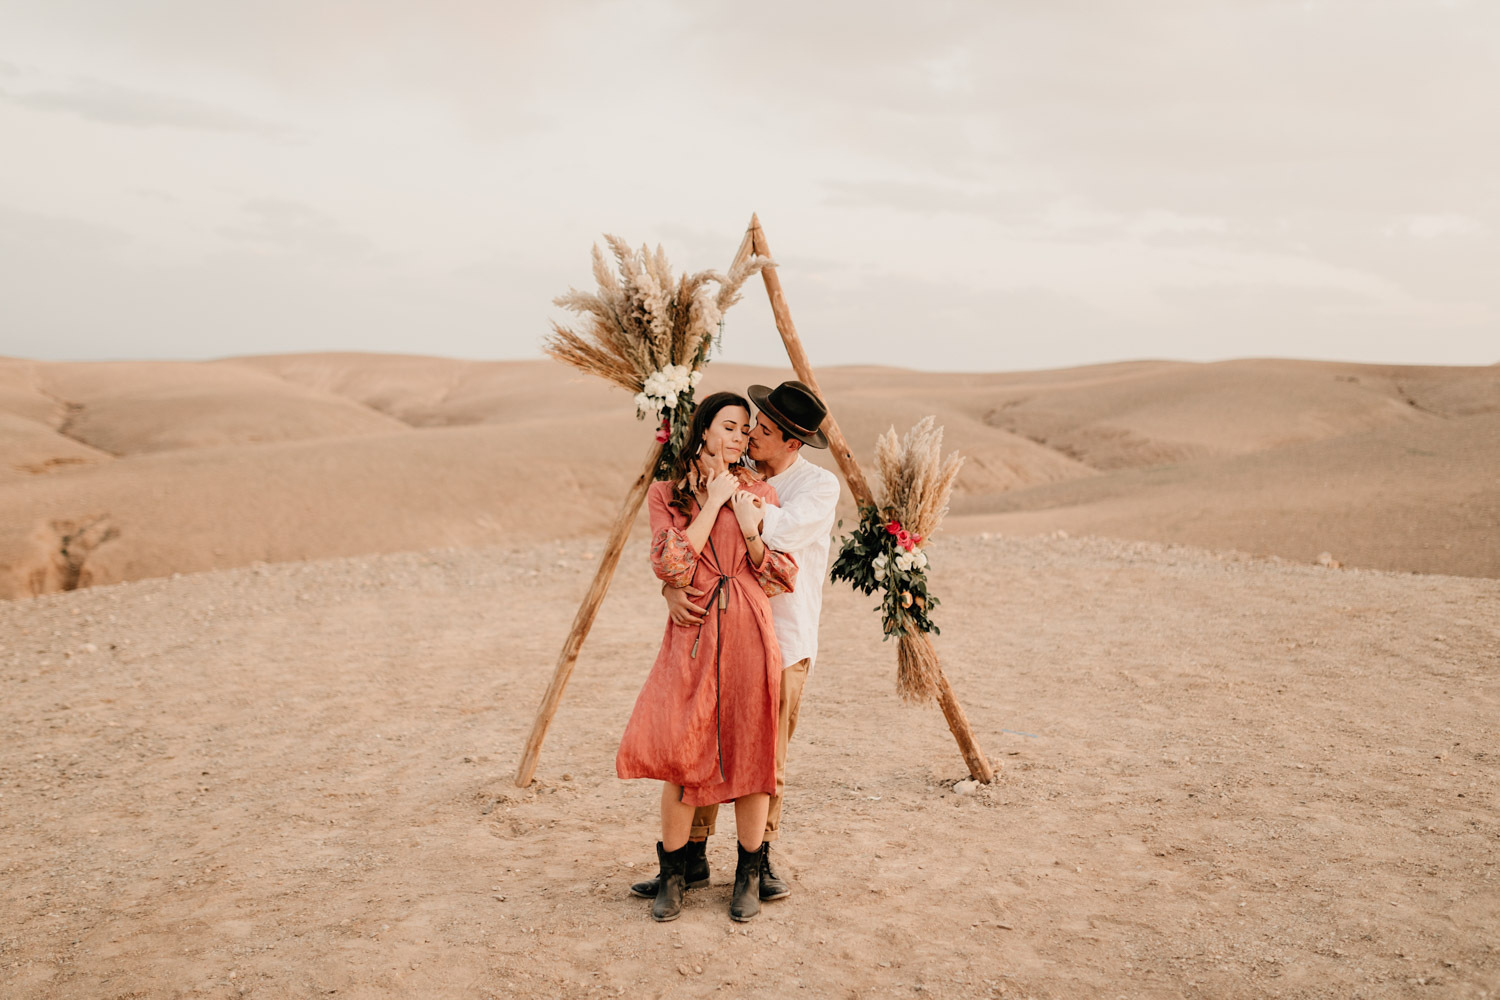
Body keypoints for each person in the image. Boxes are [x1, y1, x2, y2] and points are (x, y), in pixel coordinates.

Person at [629, 380, 840, 906]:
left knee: (762, 754)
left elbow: (780, 551)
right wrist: (671, 585)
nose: (749, 438)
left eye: (758, 431)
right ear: (704, 430)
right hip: (702, 631)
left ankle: (757, 863)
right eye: (741, 427)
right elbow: (675, 559)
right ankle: (687, 860)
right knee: (691, 744)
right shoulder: (680, 490)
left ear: (791, 442)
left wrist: (743, 513)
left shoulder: (808, 488)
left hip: (779, 635)